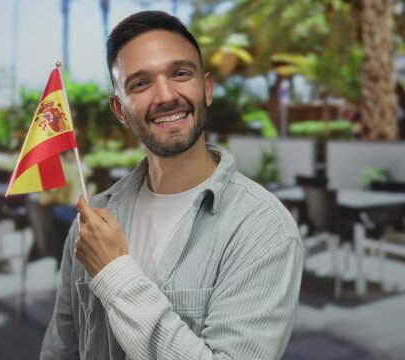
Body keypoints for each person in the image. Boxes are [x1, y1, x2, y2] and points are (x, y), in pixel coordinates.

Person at [40, 10, 304, 360]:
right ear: (120, 110)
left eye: (180, 74)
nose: (165, 95)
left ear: (206, 89)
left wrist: (114, 274)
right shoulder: (93, 220)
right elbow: (61, 350)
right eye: (141, 83)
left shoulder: (263, 228)